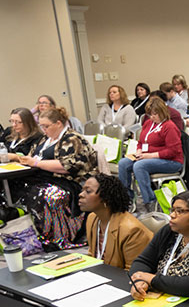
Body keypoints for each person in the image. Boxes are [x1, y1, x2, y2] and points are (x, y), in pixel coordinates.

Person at [18, 107, 97, 248]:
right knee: (18, 188)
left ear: (59, 124)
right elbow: (31, 157)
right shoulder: (44, 139)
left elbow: (68, 166)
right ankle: (29, 234)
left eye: (46, 126)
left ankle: (57, 236)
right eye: (41, 126)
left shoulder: (72, 139)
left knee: (44, 194)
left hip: (69, 182)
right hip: (43, 178)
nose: (43, 129)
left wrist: (37, 163)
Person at [118, 97, 183, 213]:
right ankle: (127, 198)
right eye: (150, 114)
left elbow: (174, 151)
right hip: (146, 157)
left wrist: (150, 155)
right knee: (123, 163)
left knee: (140, 166)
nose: (152, 117)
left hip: (172, 161)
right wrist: (138, 151)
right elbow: (141, 142)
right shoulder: (148, 123)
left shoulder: (169, 126)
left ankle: (150, 201)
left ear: (162, 112)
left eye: (155, 114)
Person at [79, 174, 153, 270]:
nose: (81, 194)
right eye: (82, 190)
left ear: (105, 198)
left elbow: (134, 272)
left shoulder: (132, 230)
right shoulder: (92, 218)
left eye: (88, 191)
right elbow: (93, 254)